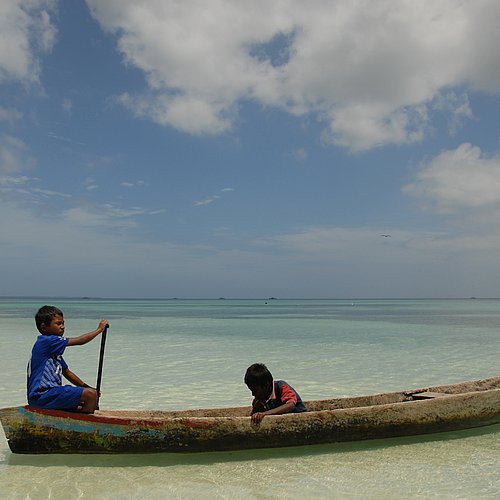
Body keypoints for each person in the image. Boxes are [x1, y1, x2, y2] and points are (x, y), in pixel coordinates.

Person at [27, 305, 109, 413]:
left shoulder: (53, 352)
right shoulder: (47, 341)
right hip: (42, 395)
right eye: (58, 324)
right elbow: (80, 341)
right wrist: (99, 330)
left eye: (63, 323)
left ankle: (79, 418)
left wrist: (87, 387)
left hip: (48, 396)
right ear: (44, 327)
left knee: (88, 398)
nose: (62, 327)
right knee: (91, 396)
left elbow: (67, 372)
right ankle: (83, 422)